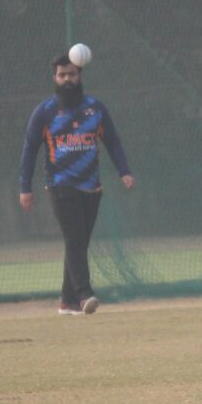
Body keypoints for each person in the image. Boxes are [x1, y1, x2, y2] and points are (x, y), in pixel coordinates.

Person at [19, 51, 135, 315]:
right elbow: (29, 150)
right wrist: (25, 187)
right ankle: (84, 295)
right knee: (74, 239)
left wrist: (124, 171)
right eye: (62, 75)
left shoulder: (95, 108)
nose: (67, 80)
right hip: (60, 184)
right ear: (54, 78)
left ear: (79, 75)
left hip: (91, 186)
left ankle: (67, 302)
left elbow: (112, 141)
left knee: (79, 243)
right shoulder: (45, 112)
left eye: (71, 74)